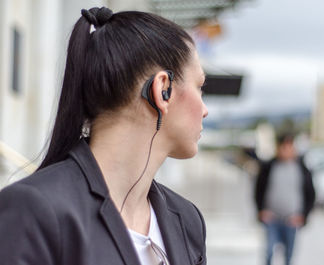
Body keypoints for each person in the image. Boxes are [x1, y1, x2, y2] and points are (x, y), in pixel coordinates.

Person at [0, 6, 208, 265]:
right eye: (200, 87)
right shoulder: (34, 210)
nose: (205, 110)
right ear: (162, 89)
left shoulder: (187, 220)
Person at [254, 133, 315, 265]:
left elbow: (311, 195)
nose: (286, 150)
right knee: (269, 252)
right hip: (272, 219)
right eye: (283, 147)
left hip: (291, 220)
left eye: (289, 147)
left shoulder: (302, 169)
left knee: (289, 256)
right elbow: (258, 190)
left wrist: (303, 215)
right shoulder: (269, 166)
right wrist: (261, 210)